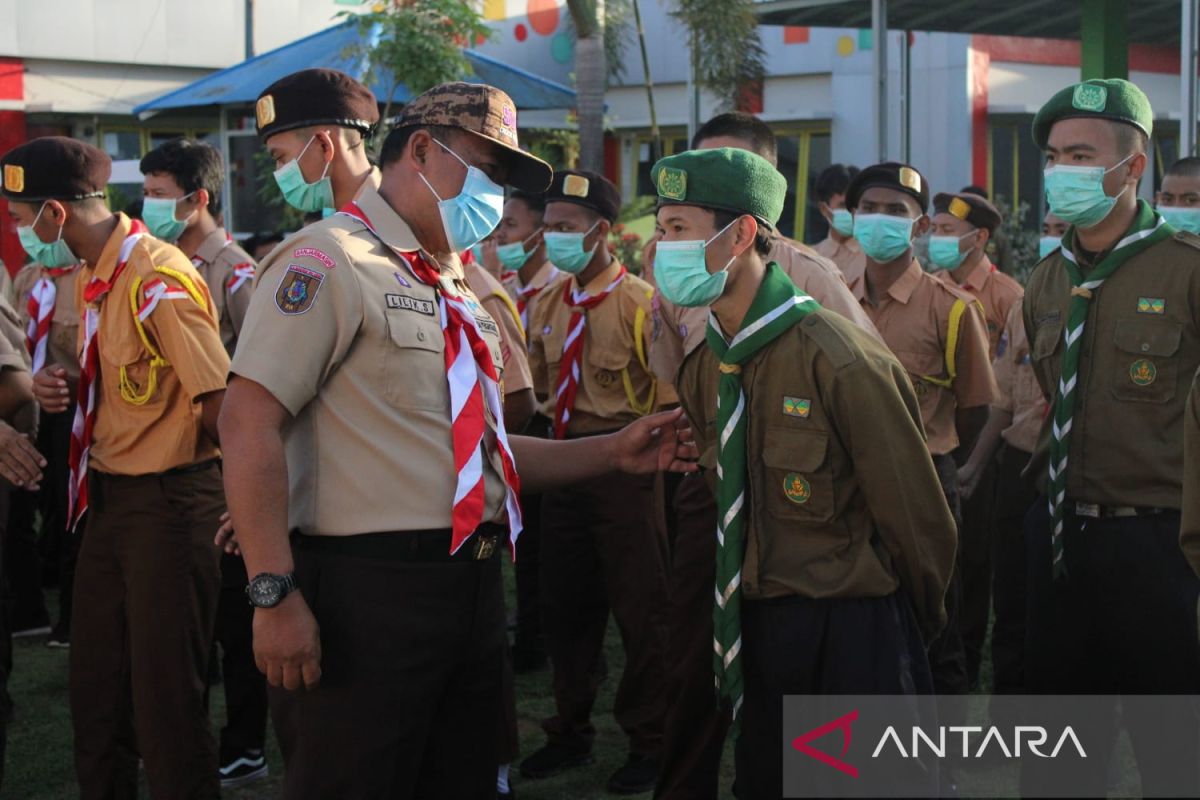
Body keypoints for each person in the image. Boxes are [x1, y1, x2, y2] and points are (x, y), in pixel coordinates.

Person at [219, 81, 696, 799]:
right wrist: (273, 591)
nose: (496, 193)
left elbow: (481, 456)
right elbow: (247, 420)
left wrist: (611, 451)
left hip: (469, 583)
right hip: (366, 591)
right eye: (486, 168)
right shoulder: (329, 261)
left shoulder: (455, 285)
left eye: (504, 179)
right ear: (419, 149)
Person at [652, 146, 955, 800]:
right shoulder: (707, 367)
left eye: (679, 229)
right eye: (660, 228)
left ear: (741, 234)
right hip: (761, 625)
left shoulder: (838, 358)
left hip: (851, 626)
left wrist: (909, 628)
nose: (662, 247)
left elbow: (918, 520)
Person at [7, 136, 230, 799]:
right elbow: (138, 384)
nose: (20, 236)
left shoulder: (154, 275)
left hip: (170, 504)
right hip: (107, 501)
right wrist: (72, 384)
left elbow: (218, 402)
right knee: (97, 696)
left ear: (53, 214)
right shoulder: (97, 274)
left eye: (21, 220)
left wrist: (255, 511)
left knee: (165, 705)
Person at [1022, 78, 1200, 797]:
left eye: (1081, 155)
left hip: (1159, 547)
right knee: (1060, 756)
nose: (1061, 171)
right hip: (1061, 538)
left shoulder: (1187, 272)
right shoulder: (1045, 280)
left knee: (1174, 755)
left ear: (1131, 168)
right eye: (1055, 156)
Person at [520, 169, 670, 795]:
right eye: (548, 226)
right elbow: (533, 393)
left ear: (602, 232)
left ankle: (652, 740)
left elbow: (666, 401)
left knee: (643, 611)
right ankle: (569, 731)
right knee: (565, 607)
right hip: (561, 467)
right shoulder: (547, 304)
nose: (551, 238)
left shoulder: (642, 304)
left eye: (565, 228)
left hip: (625, 471)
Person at [845, 162, 998, 704]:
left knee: (937, 626)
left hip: (927, 482)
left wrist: (946, 464)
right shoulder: (832, 302)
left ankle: (941, 771)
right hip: (849, 485)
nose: (879, 220)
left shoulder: (952, 309)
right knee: (860, 627)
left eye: (896, 211)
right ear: (851, 216)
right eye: (869, 209)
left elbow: (977, 409)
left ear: (920, 226)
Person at [927, 190, 1023, 689]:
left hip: (983, 440)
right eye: (936, 229)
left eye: (947, 231)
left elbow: (1010, 389)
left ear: (979, 238)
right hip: (934, 439)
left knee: (974, 561)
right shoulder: (929, 291)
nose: (936, 240)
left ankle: (964, 663)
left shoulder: (1007, 296)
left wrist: (979, 461)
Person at [956, 302, 1044, 706]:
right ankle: (1007, 725)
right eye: (1049, 231)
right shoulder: (1027, 307)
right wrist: (974, 465)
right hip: (1022, 468)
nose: (1053, 238)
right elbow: (1004, 400)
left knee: (1074, 611)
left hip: (1082, 472)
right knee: (1011, 602)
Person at [495, 188, 555, 674]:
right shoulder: (510, 289)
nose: (501, 238)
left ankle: (538, 638)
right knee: (523, 547)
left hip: (544, 425)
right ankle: (529, 632)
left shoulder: (560, 291)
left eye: (510, 228)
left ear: (539, 233)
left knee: (541, 549)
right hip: (514, 429)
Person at [12, 254, 80, 647]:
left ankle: (70, 615)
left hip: (73, 408)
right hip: (31, 407)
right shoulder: (29, 277)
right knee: (32, 504)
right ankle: (36, 596)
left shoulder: (89, 274)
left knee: (70, 509)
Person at [141, 138, 256, 356]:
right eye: (146, 194)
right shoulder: (155, 262)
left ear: (198, 198)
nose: (150, 205)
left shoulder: (236, 272)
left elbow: (259, 355)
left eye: (159, 195)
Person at [256, 68, 380, 216]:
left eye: (280, 157)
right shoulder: (331, 220)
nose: (279, 171)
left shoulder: (402, 216)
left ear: (324, 145)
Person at [812, 163, 863, 275]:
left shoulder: (874, 258)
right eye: (844, 205)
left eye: (857, 205)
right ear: (824, 209)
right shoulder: (810, 257)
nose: (853, 212)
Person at [1156, 156, 1200, 234]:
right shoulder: (1145, 242)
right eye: (1167, 199)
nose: (1176, 207)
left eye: (1190, 200)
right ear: (1158, 198)